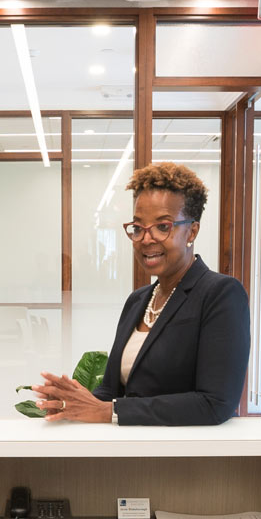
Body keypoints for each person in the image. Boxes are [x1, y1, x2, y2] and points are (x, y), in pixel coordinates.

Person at [32, 162, 249, 426]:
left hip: (188, 458)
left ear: (192, 231)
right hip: (131, 455)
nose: (146, 239)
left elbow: (215, 403)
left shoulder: (220, 294)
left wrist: (110, 411)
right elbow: (113, 391)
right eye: (138, 227)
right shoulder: (138, 300)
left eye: (162, 227)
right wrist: (75, 403)